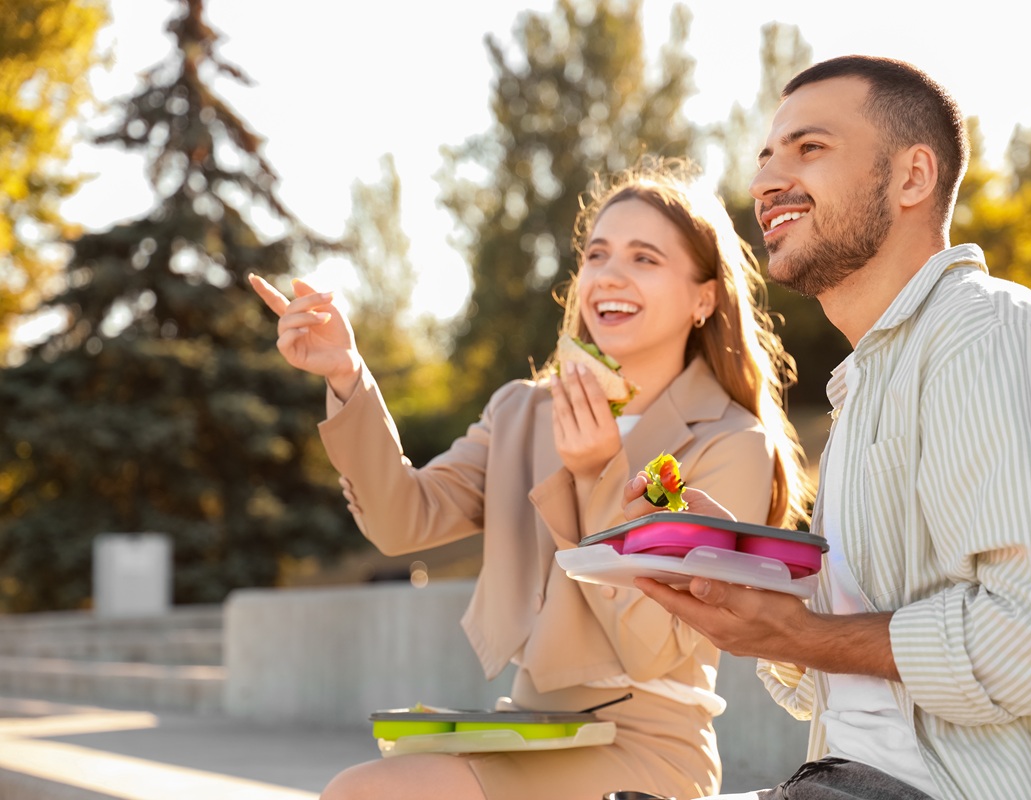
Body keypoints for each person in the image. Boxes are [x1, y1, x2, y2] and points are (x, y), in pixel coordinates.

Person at [625, 56, 1031, 800]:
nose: (767, 182)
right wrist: (743, 569)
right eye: (765, 157)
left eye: (810, 148)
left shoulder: (987, 337)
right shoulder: (870, 386)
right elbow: (856, 672)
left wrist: (802, 636)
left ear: (912, 177)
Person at [249, 161, 812, 800]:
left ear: (704, 297)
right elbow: (403, 519)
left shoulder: (731, 441)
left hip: (649, 748)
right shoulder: (523, 411)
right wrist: (347, 377)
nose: (609, 274)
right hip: (529, 729)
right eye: (597, 254)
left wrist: (600, 473)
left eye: (644, 258)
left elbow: (655, 649)